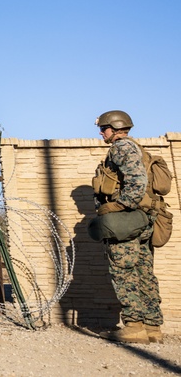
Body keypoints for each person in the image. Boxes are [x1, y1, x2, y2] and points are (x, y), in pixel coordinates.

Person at [93, 110, 164, 343]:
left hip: (128, 219)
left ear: (114, 128)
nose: (101, 133)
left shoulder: (121, 148)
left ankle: (134, 327)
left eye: (103, 128)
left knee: (124, 272)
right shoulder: (137, 148)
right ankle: (152, 327)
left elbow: (136, 182)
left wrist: (118, 206)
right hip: (144, 218)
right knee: (144, 271)